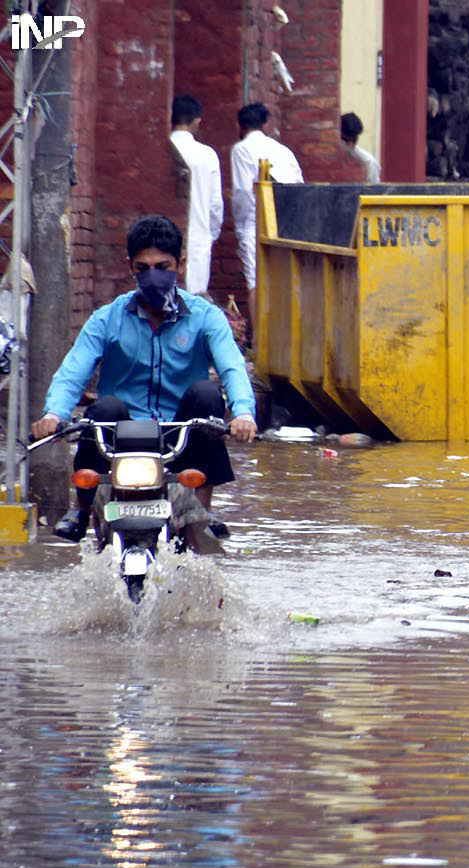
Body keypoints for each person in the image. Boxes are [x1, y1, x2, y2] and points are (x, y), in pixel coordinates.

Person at [30, 215, 257, 541]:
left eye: (162, 266)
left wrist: (244, 413)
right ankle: (81, 509)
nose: (153, 276)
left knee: (208, 394)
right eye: (143, 267)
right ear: (130, 267)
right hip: (120, 437)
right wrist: (54, 414)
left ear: (180, 264)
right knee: (104, 408)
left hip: (180, 435)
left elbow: (232, 367)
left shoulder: (206, 317)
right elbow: (72, 372)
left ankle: (201, 511)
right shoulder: (107, 318)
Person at [230, 103, 304, 291]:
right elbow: (299, 187)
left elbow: (243, 192)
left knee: (256, 284)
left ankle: (260, 322)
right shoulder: (283, 151)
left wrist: (241, 227)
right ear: (265, 124)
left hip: (256, 221)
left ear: (241, 126)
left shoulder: (242, 149)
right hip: (287, 223)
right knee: (282, 282)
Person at [168, 95, 225, 297]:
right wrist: (211, 234)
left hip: (163, 239)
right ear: (197, 121)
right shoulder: (206, 154)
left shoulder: (164, 149)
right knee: (194, 303)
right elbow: (215, 205)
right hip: (198, 237)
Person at [340, 112, 382, 184]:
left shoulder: (368, 162)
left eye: (353, 140)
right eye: (345, 140)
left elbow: (373, 189)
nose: (350, 145)